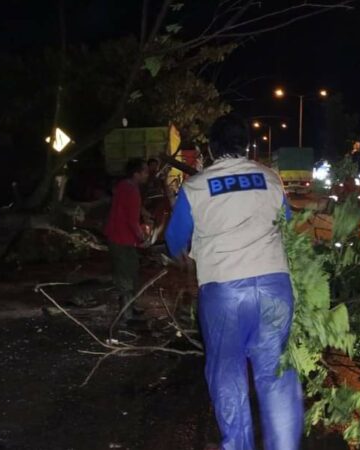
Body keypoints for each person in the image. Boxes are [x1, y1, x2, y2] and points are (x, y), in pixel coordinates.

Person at [165, 115, 302, 450]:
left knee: (228, 374)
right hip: (275, 288)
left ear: (212, 148)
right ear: (246, 146)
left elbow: (173, 240)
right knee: (276, 375)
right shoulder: (270, 179)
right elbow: (290, 226)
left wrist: (183, 253)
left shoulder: (196, 187)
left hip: (224, 290)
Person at [105, 158, 150, 324]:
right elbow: (132, 221)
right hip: (122, 239)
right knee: (127, 277)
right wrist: (142, 239)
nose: (147, 174)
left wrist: (143, 212)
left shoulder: (125, 185)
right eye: (144, 171)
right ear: (136, 173)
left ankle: (131, 307)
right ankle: (127, 316)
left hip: (117, 236)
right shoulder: (132, 191)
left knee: (130, 272)